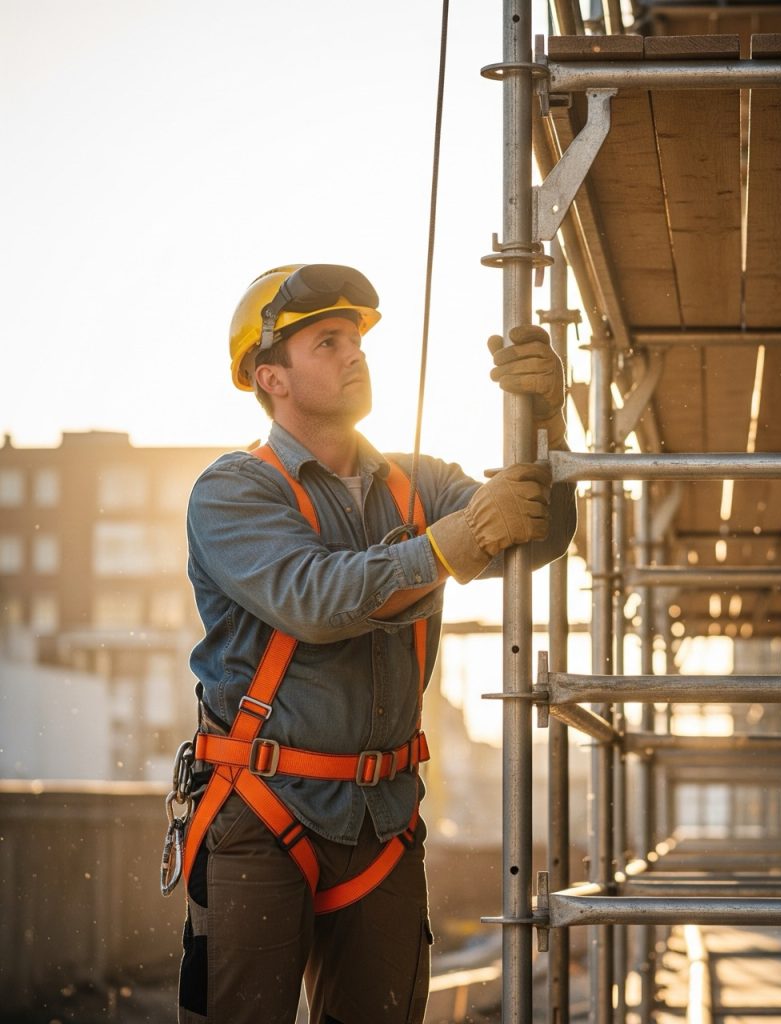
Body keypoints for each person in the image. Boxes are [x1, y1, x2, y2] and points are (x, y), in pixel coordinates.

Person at [177, 263, 576, 1024]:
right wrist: (450, 544)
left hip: (384, 822)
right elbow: (315, 599)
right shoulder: (233, 491)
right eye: (327, 342)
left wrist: (550, 421)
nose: (354, 353)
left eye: (355, 339)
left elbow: (540, 532)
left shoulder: (418, 482)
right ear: (272, 378)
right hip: (263, 812)